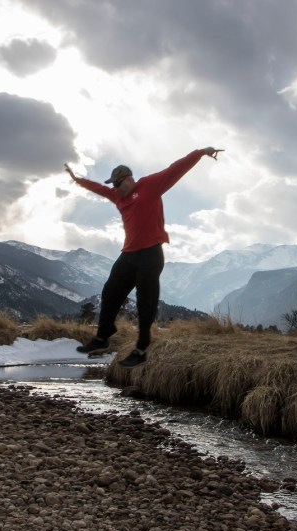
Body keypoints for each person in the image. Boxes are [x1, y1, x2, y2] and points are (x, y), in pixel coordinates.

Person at [65, 147, 223, 368]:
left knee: (144, 302)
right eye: (114, 186)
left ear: (128, 180)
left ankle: (141, 349)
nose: (115, 189)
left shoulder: (150, 185)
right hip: (128, 254)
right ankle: (102, 337)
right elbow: (99, 189)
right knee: (110, 292)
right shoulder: (117, 196)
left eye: (118, 184)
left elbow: (175, 169)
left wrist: (200, 153)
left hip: (151, 254)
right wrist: (77, 179)